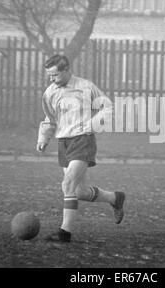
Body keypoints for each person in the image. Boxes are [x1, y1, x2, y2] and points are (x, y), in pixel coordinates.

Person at [37, 54, 126, 243]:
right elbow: (50, 119)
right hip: (64, 144)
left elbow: (108, 107)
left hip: (83, 141)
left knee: (67, 184)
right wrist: (44, 137)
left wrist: (91, 125)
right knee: (78, 192)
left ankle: (64, 233)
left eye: (55, 75)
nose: (52, 79)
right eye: (49, 76)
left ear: (67, 69)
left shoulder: (86, 86)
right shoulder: (49, 93)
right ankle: (115, 198)